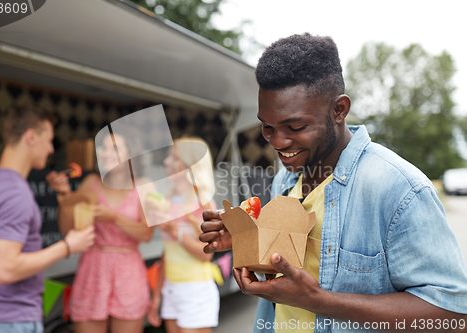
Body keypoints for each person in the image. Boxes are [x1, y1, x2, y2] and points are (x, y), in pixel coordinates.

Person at [200, 33, 467, 332]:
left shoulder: (399, 189)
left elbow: (454, 316)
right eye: (267, 127)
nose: (278, 141)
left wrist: (319, 300)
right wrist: (248, 238)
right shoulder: (284, 182)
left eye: (296, 126)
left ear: (339, 110)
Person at [0, 105, 95, 333]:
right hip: (9, 321)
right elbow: (6, 269)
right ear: (30, 137)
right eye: (49, 140)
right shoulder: (14, 192)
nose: (50, 150)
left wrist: (64, 194)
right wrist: (68, 246)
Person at [46, 130, 154, 333]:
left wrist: (113, 217)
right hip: (93, 270)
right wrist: (66, 197)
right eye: (103, 148)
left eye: (113, 148)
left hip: (128, 271)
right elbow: (68, 229)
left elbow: (146, 234)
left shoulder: (144, 186)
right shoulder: (91, 184)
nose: (105, 153)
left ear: (130, 153)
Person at [147, 137, 220, 333]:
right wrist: (157, 296)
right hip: (171, 289)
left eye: (173, 158)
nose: (166, 162)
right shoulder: (167, 200)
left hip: (196, 290)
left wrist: (173, 231)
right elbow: (167, 253)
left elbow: (206, 255)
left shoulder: (204, 204)